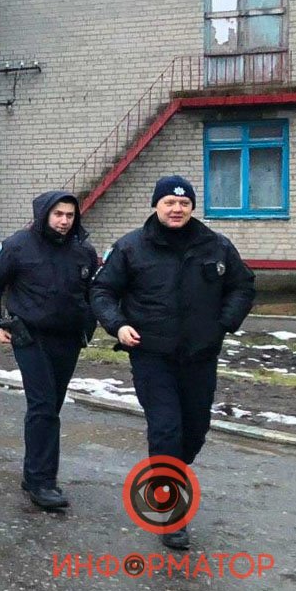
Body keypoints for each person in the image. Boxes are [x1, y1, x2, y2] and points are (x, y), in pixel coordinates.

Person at [91, 175, 254, 551]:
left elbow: (243, 285)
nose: (176, 209)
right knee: (166, 429)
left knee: (194, 431)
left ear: (192, 207)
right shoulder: (131, 247)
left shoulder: (216, 245)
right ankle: (171, 512)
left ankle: (170, 472)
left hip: (200, 356)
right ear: (156, 205)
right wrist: (118, 325)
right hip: (152, 355)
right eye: (169, 202)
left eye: (184, 203)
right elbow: (101, 290)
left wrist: (223, 323)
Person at [0, 191, 97, 511]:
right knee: (43, 405)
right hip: (30, 336)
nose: (64, 221)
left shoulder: (83, 251)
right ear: (44, 214)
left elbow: (94, 292)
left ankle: (33, 472)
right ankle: (42, 482)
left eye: (70, 215)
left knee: (51, 407)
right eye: (58, 214)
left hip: (68, 339)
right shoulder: (18, 246)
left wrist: (89, 324)